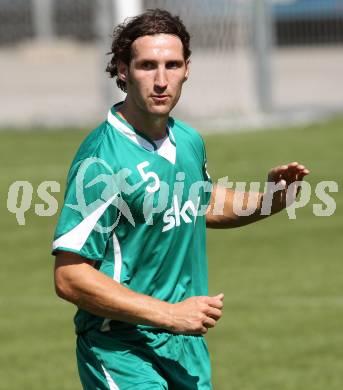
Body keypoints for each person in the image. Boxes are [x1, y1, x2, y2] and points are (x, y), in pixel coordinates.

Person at [52, 8, 309, 390]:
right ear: (122, 70)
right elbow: (70, 276)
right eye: (146, 65)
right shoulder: (101, 162)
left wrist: (272, 199)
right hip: (121, 348)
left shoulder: (187, 140)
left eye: (172, 65)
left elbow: (199, 202)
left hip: (184, 346)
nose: (161, 80)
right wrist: (169, 314)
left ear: (187, 68)